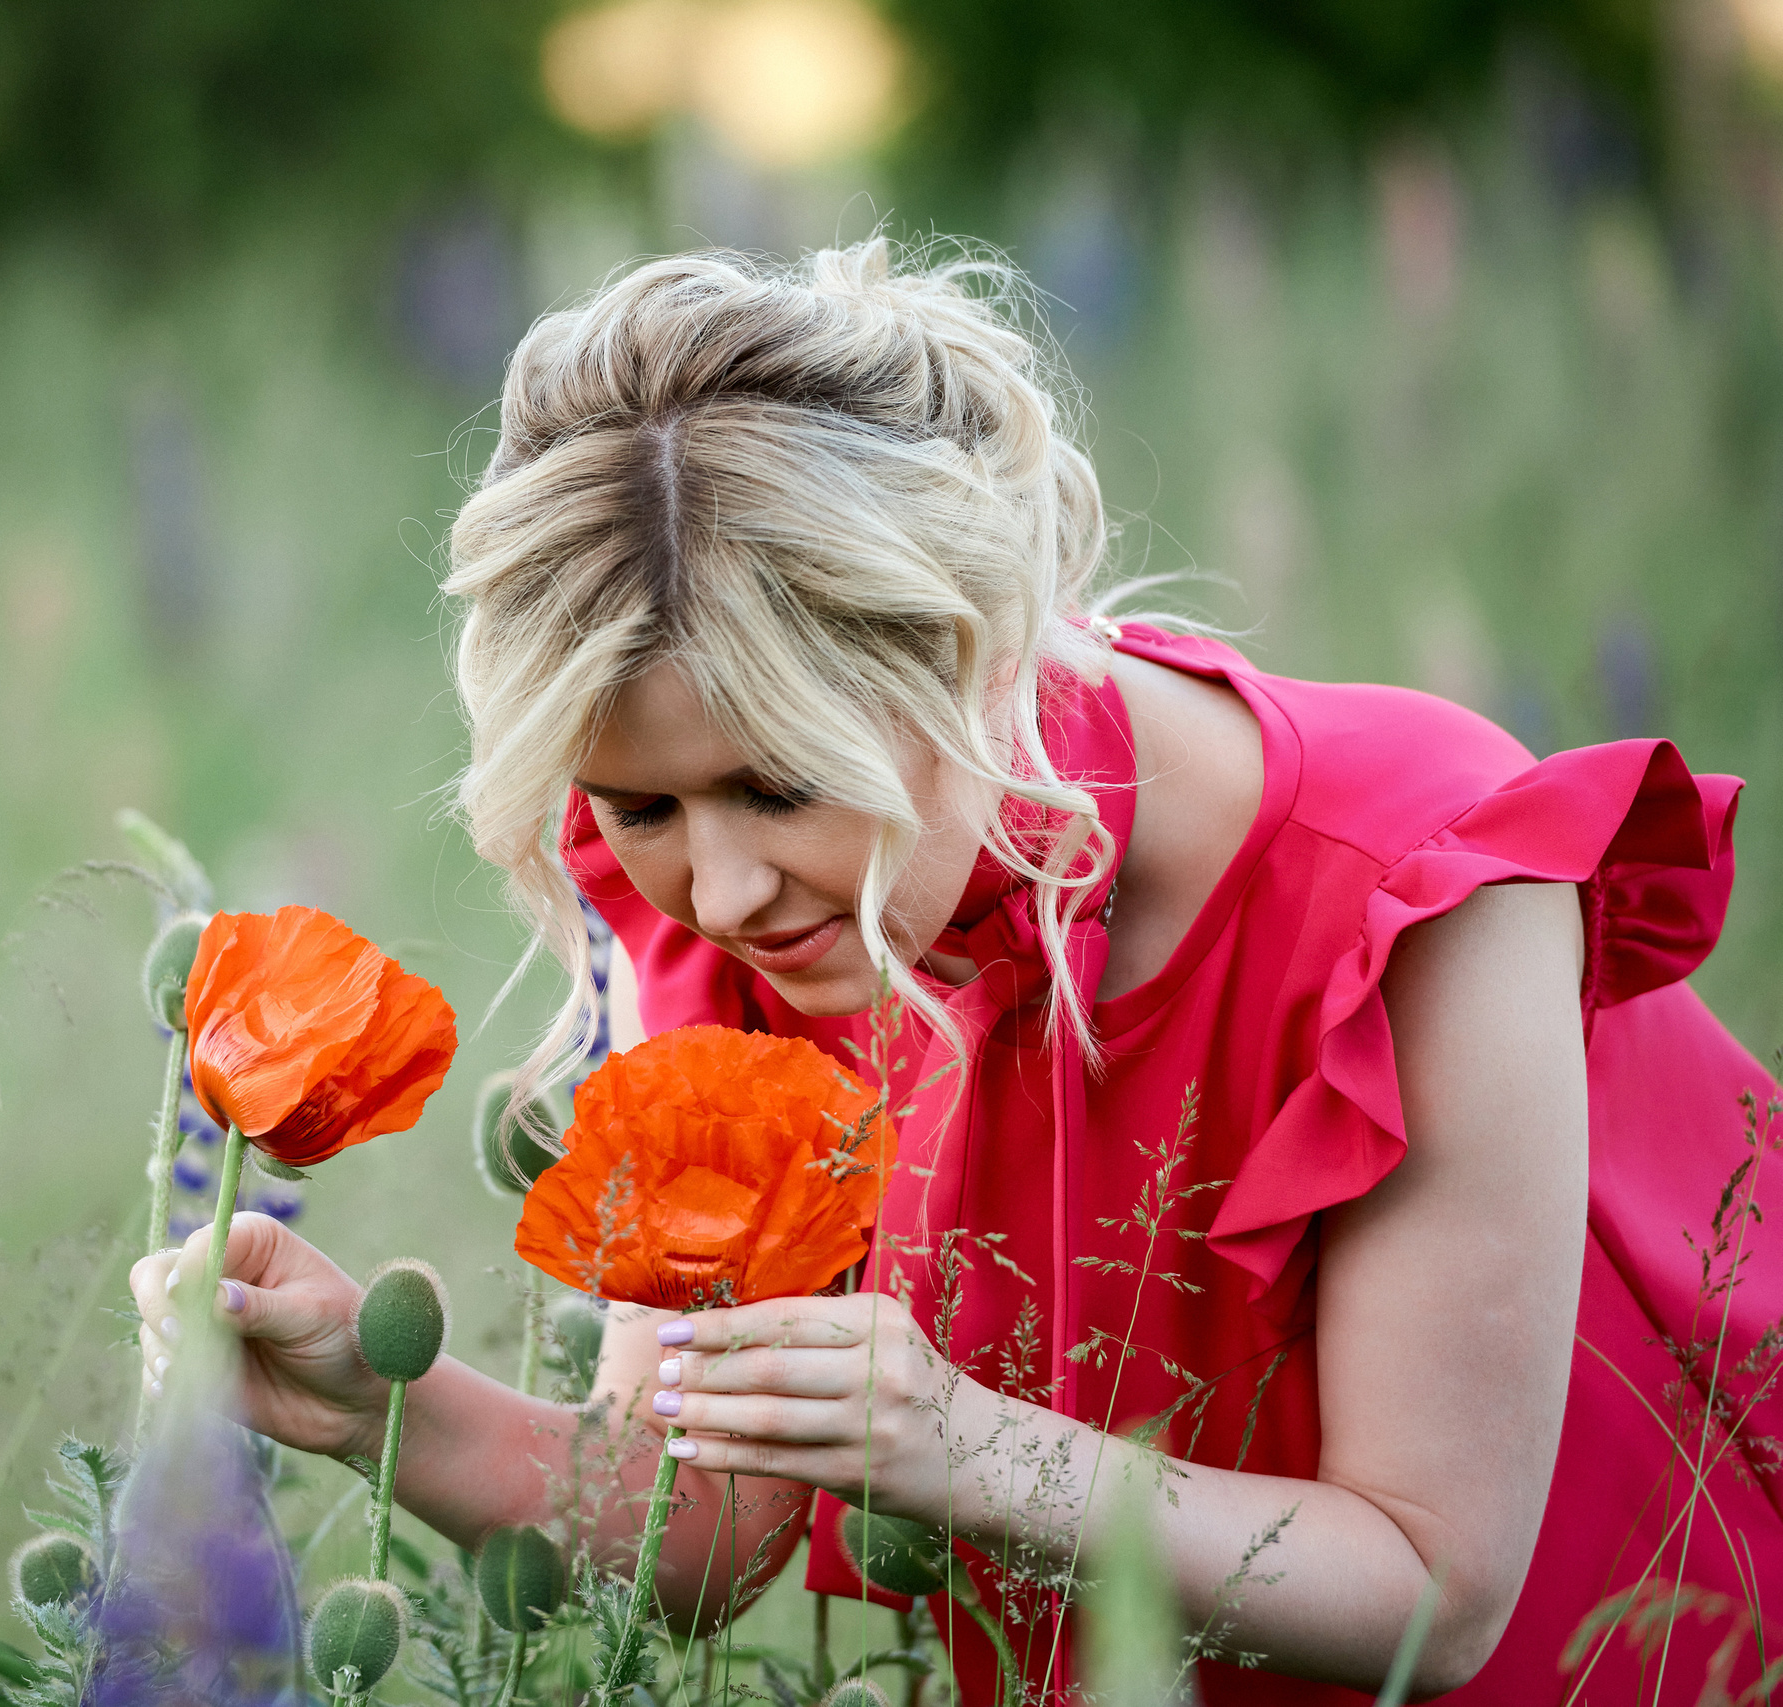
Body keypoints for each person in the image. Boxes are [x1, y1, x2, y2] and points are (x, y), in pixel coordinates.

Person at [131, 240, 1780, 1702]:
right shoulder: (744, 917)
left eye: (783, 782)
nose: (714, 884)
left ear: (976, 652)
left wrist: (962, 1449)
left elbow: (1438, 1591)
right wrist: (379, 1405)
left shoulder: (1419, 878)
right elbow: (701, 1528)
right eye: (637, 806)